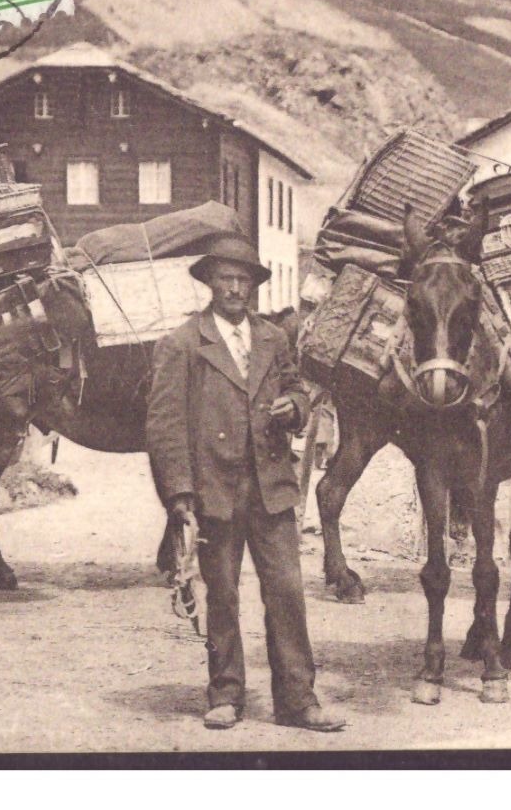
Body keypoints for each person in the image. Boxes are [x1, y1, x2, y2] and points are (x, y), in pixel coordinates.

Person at [145, 233, 345, 733]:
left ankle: (298, 700)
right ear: (209, 284)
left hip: (270, 486)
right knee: (224, 595)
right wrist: (179, 494)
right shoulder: (183, 345)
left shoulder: (275, 339)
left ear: (254, 286)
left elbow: (298, 388)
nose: (234, 288)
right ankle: (226, 695)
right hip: (214, 489)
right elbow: (165, 425)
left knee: (287, 592)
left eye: (243, 280)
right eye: (225, 279)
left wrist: (294, 408)